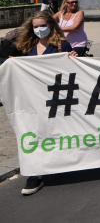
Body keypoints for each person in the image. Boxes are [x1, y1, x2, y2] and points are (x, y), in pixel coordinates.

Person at [11, 11, 77, 195]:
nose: (39, 29)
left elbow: (71, 71)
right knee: (33, 131)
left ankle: (62, 161)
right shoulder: (27, 45)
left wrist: (73, 59)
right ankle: (35, 174)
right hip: (32, 97)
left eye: (42, 26)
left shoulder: (61, 45)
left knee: (55, 130)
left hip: (55, 97)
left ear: (51, 26)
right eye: (36, 26)